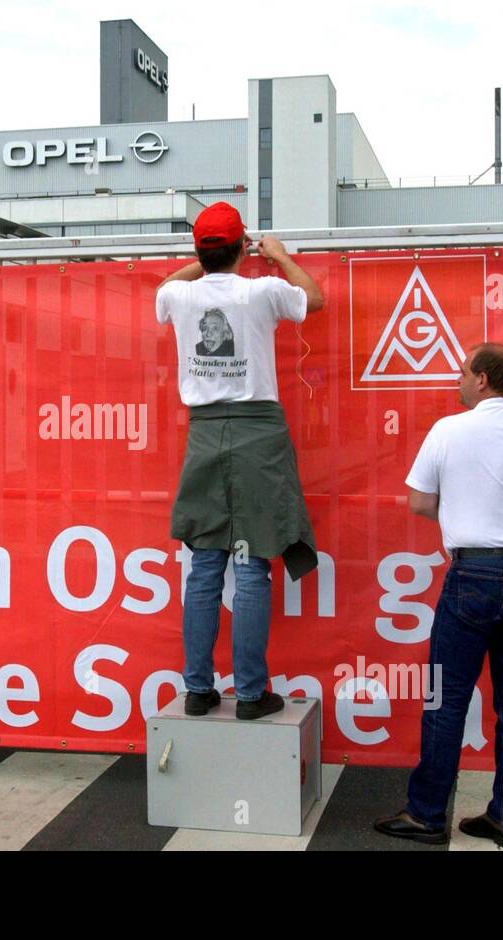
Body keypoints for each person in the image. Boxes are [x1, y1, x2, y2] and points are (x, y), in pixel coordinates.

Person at [374, 266, 503, 848]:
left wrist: (459, 514)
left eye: (461, 373)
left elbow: (420, 502)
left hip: (473, 574)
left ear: (481, 379)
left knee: (443, 697)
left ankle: (428, 813)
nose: (456, 381)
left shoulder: (448, 430)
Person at [155, 201, 324, 721]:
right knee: (252, 566)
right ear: (240, 248)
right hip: (258, 433)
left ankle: (198, 689)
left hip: (205, 435)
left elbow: (168, 283)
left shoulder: (178, 297)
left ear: (201, 251)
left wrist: (202, 261)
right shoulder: (262, 290)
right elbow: (313, 298)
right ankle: (251, 695)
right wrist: (276, 256)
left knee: (204, 567)